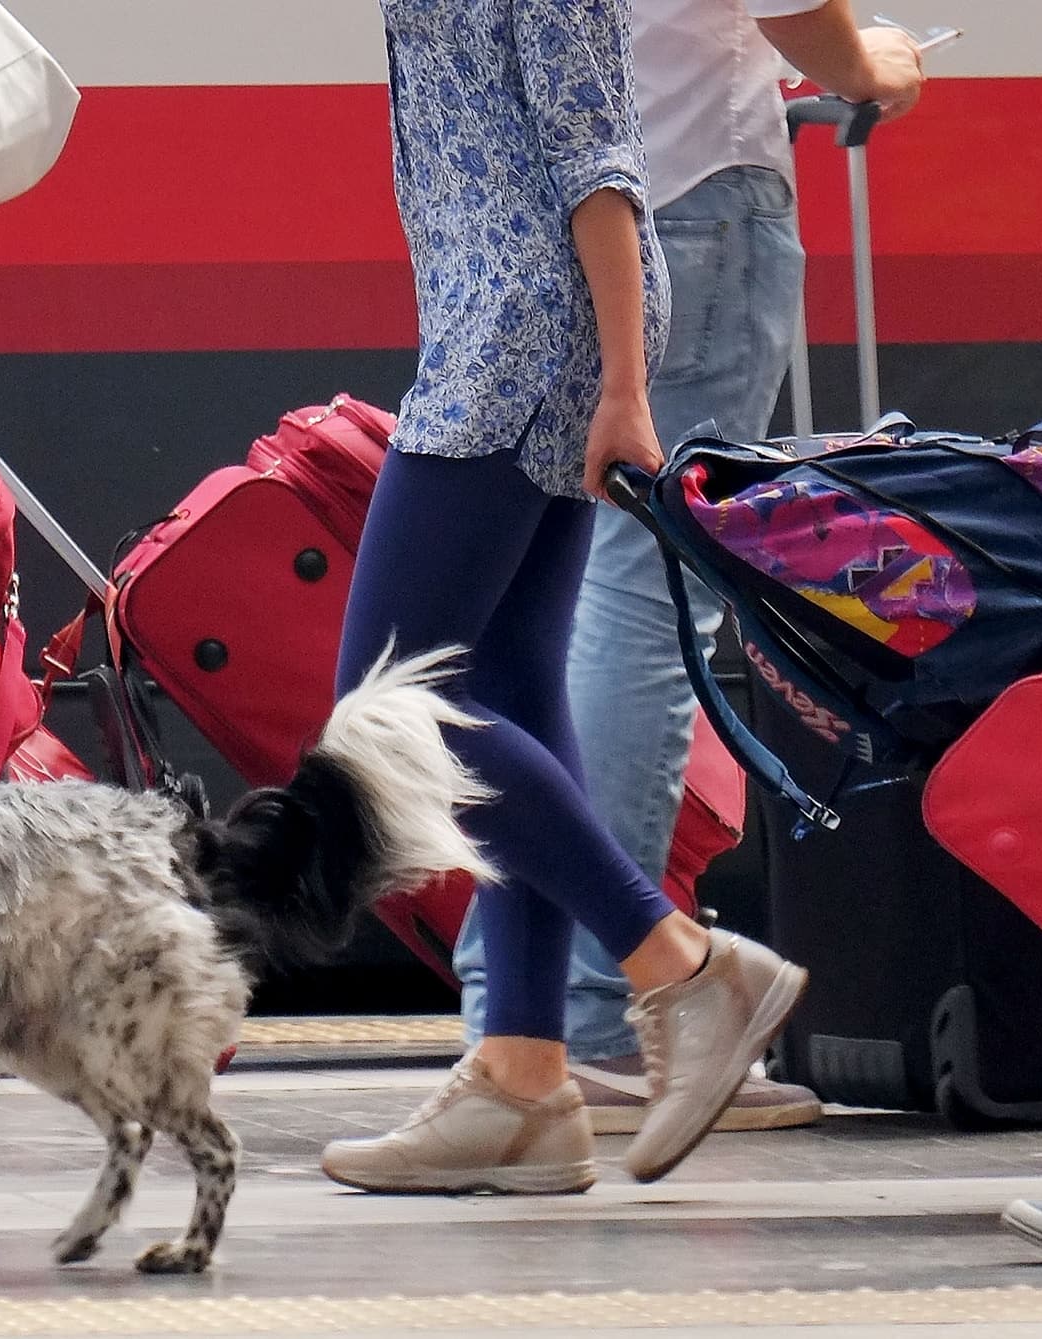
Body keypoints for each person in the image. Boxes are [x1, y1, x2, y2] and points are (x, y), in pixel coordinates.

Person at [319, 0, 810, 1197]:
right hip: (507, 321)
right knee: (509, 691)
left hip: (523, 333)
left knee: (380, 715)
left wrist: (625, 386)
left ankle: (683, 967)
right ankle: (525, 1078)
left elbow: (595, 152)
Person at [440, 0, 928, 1168]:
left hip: (558, 211)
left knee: (547, 619)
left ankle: (531, 1017)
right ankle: (600, 1006)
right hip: (694, 192)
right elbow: (797, 17)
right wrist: (874, 63)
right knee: (643, 601)